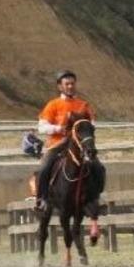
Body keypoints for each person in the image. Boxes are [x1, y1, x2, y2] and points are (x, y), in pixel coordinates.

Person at [34, 70, 96, 211]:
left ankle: (96, 197)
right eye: (67, 84)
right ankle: (42, 199)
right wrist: (58, 129)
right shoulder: (53, 104)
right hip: (57, 144)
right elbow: (42, 127)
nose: (70, 86)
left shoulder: (83, 105)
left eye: (72, 83)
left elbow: (92, 123)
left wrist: (87, 129)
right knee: (44, 168)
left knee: (97, 166)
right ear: (60, 86)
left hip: (79, 144)